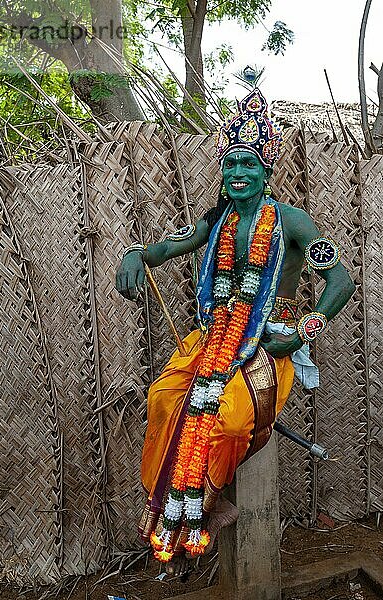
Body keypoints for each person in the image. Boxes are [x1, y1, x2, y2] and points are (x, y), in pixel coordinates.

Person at [115, 89, 355, 576]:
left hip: (268, 339)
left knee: (227, 423)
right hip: (212, 336)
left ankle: (207, 500)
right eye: (230, 165)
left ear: (266, 171)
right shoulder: (213, 220)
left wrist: (303, 333)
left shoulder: (292, 221)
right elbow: (165, 248)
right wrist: (135, 253)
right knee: (163, 399)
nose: (238, 174)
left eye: (248, 164)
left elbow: (341, 280)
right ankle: (172, 508)